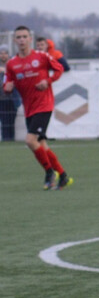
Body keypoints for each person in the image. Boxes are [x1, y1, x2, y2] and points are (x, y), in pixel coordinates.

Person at [3, 26, 73, 189]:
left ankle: (49, 173)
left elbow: (59, 68)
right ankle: (62, 176)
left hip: (44, 104)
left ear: (30, 39)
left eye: (24, 37)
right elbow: (7, 82)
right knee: (41, 144)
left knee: (30, 140)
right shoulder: (12, 64)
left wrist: (47, 81)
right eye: (18, 37)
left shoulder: (41, 56)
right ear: (14, 40)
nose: (21, 40)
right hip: (29, 108)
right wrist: (7, 87)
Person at [0, 46, 19, 142]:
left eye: (5, 53)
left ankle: (11, 139)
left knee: (11, 121)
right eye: (1, 53)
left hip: (12, 98)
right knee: (4, 122)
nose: (3, 55)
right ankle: (5, 139)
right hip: (1, 99)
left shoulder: (13, 64)